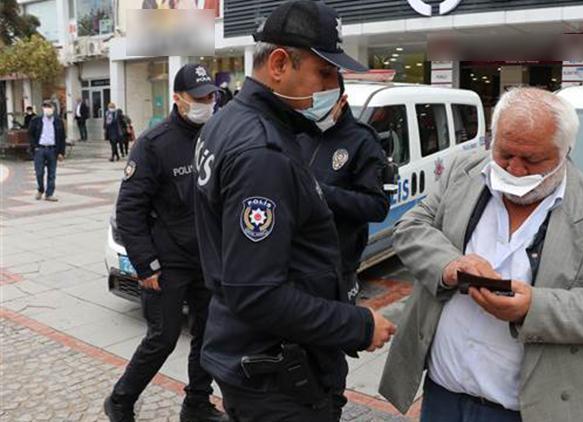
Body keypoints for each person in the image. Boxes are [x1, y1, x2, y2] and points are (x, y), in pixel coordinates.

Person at [379, 87, 583, 422]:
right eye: (504, 154)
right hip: (443, 395)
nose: (514, 169)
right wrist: (448, 265)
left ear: (564, 152)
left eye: (532, 160)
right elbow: (411, 226)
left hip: (528, 410)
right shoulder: (464, 171)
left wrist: (533, 307)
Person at [193, 2, 396, 421]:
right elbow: (258, 291)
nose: (333, 86)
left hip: (253, 354)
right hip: (277, 375)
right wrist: (358, 325)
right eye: (325, 73)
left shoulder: (228, 120)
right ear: (280, 64)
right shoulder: (262, 150)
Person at [103, 64, 225, 422]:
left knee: (207, 336)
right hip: (166, 264)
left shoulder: (216, 134)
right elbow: (129, 209)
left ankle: (197, 404)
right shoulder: (154, 144)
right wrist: (145, 264)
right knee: (163, 338)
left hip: (206, 258)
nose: (206, 103)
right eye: (198, 98)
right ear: (178, 98)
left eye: (211, 96)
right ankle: (121, 401)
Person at [298, 73, 390, 305]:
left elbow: (377, 207)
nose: (314, 111)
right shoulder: (300, 131)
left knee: (332, 336)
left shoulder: (362, 141)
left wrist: (322, 193)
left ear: (342, 100)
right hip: (297, 261)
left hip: (337, 266)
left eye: (323, 104)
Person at [27, 100, 66, 202]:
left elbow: (62, 137)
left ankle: (49, 194)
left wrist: (61, 152)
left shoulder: (58, 121)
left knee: (52, 173)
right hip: (40, 149)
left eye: (49, 106)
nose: (47, 109)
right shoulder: (36, 120)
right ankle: (40, 189)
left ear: (53, 108)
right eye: (45, 106)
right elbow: (30, 134)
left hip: (53, 149)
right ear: (42, 108)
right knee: (39, 172)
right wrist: (34, 146)